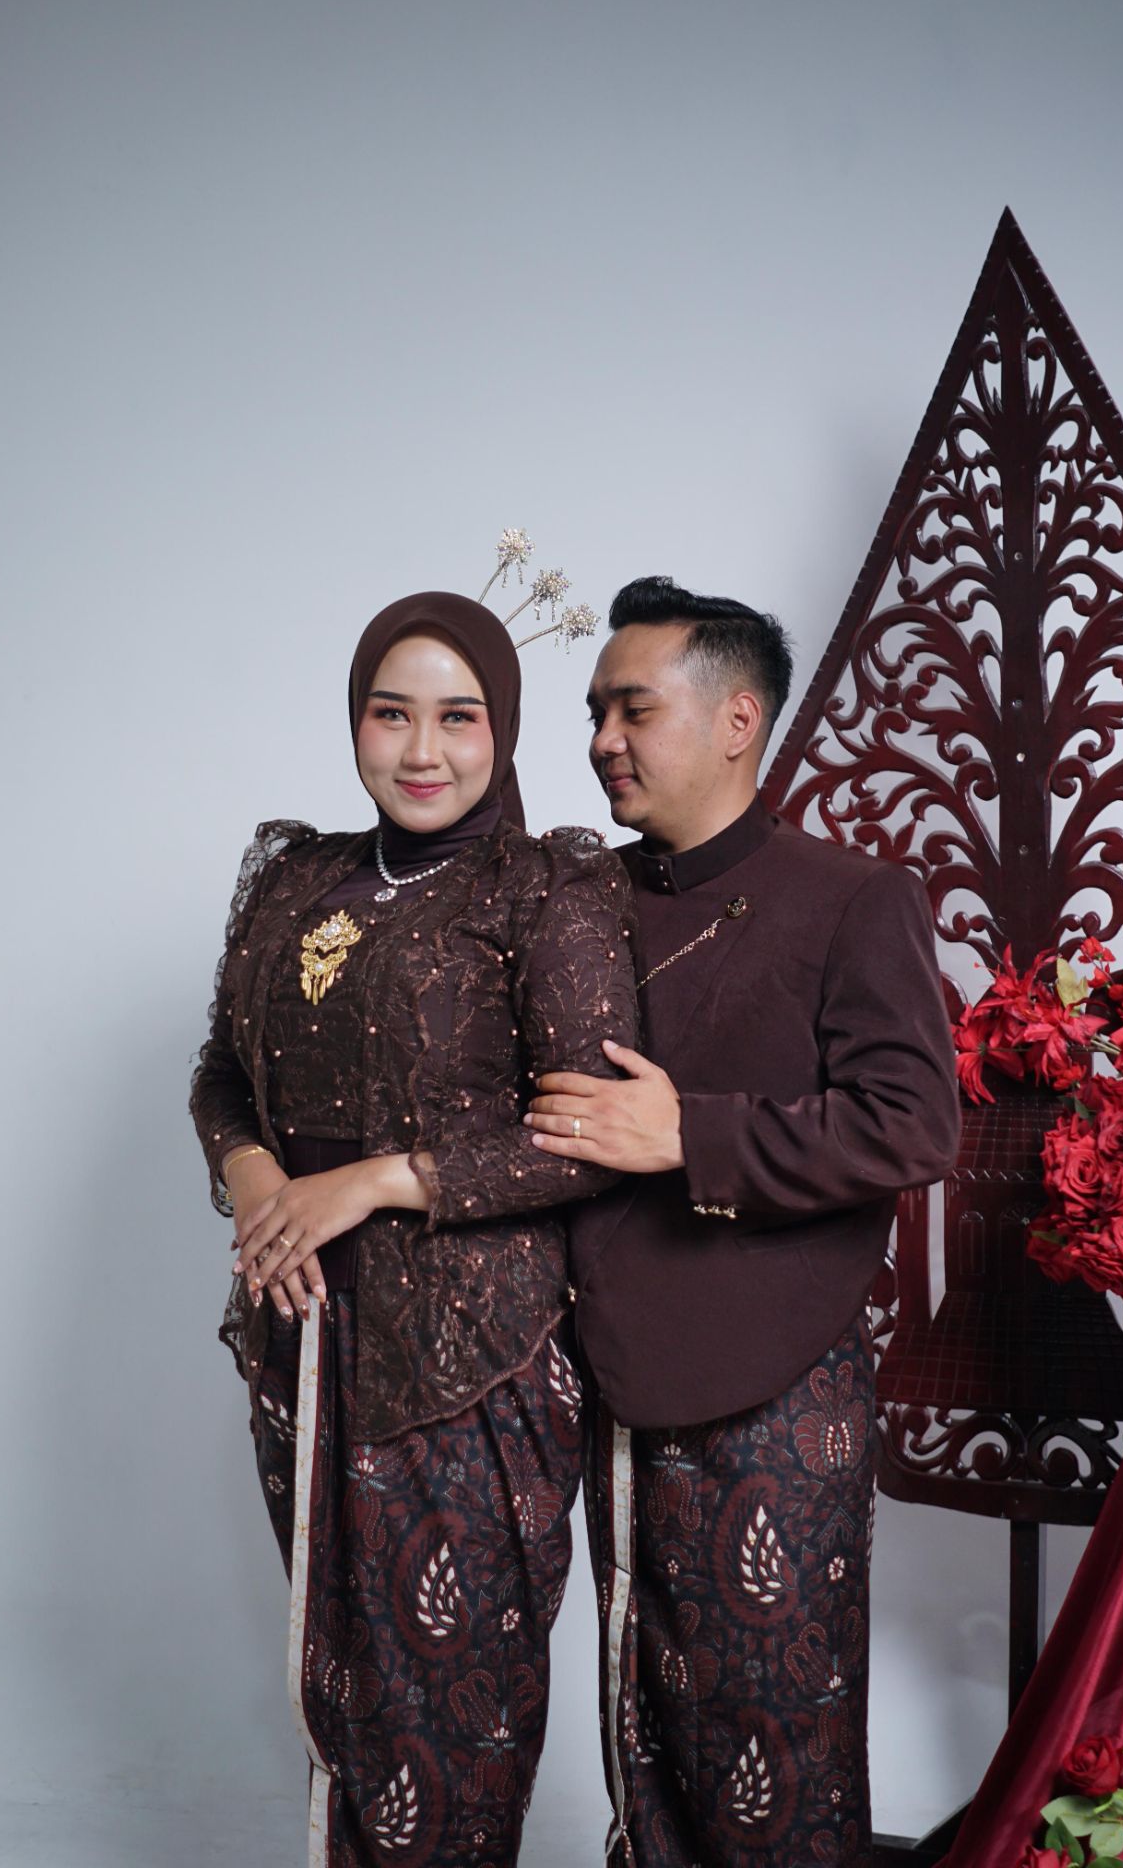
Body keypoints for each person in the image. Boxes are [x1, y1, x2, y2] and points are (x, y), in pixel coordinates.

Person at [190, 592, 638, 1868]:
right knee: (338, 1688)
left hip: (469, 1365)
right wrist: (256, 1174)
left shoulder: (546, 890)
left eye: (459, 717)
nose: (422, 750)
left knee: (450, 1709)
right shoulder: (298, 878)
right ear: (355, 722)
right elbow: (221, 1072)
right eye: (391, 715)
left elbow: (585, 1136)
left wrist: (375, 1181)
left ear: (504, 728)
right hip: (304, 1342)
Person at [526, 577, 960, 1868]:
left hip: (775, 1387)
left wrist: (689, 1135)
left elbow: (911, 1127)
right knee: (640, 1741)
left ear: (736, 721)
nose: (601, 739)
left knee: (774, 1754)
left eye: (632, 708)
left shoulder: (850, 897)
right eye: (593, 711)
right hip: (603, 1376)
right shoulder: (578, 898)